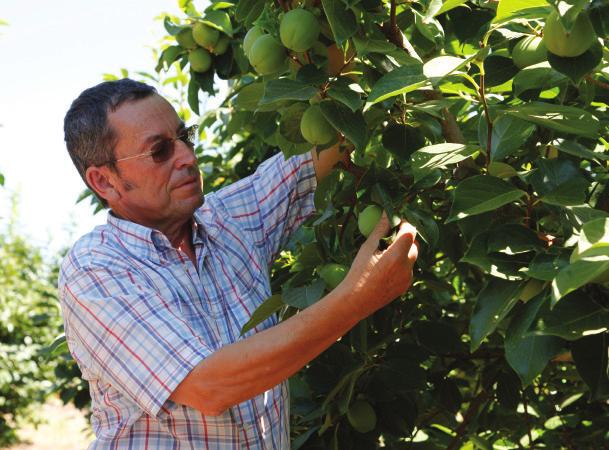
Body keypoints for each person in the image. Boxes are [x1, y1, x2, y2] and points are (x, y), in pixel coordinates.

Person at [59, 78, 418, 449]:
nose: (187, 156)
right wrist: (357, 298)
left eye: (185, 136)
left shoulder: (227, 220)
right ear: (104, 181)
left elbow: (329, 143)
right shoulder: (95, 270)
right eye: (160, 150)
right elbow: (208, 385)